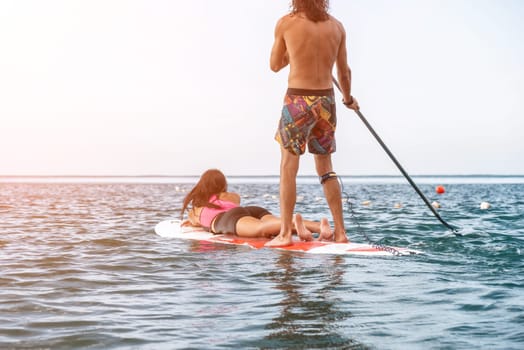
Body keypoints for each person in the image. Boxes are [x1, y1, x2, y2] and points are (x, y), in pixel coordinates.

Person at [266, 0, 359, 247]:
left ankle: (285, 234)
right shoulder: (337, 27)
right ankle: (340, 232)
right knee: (326, 167)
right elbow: (344, 72)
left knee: (288, 166)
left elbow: (275, 65)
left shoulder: (286, 24)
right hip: (326, 102)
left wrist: (294, 52)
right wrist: (348, 99)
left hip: (298, 99)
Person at [180, 169, 333, 241]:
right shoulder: (230, 196)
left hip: (225, 220)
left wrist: (193, 221)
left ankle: (293, 221)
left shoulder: (197, 207)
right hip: (250, 210)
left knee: (261, 229)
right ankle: (319, 226)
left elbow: (195, 221)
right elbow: (236, 203)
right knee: (273, 223)